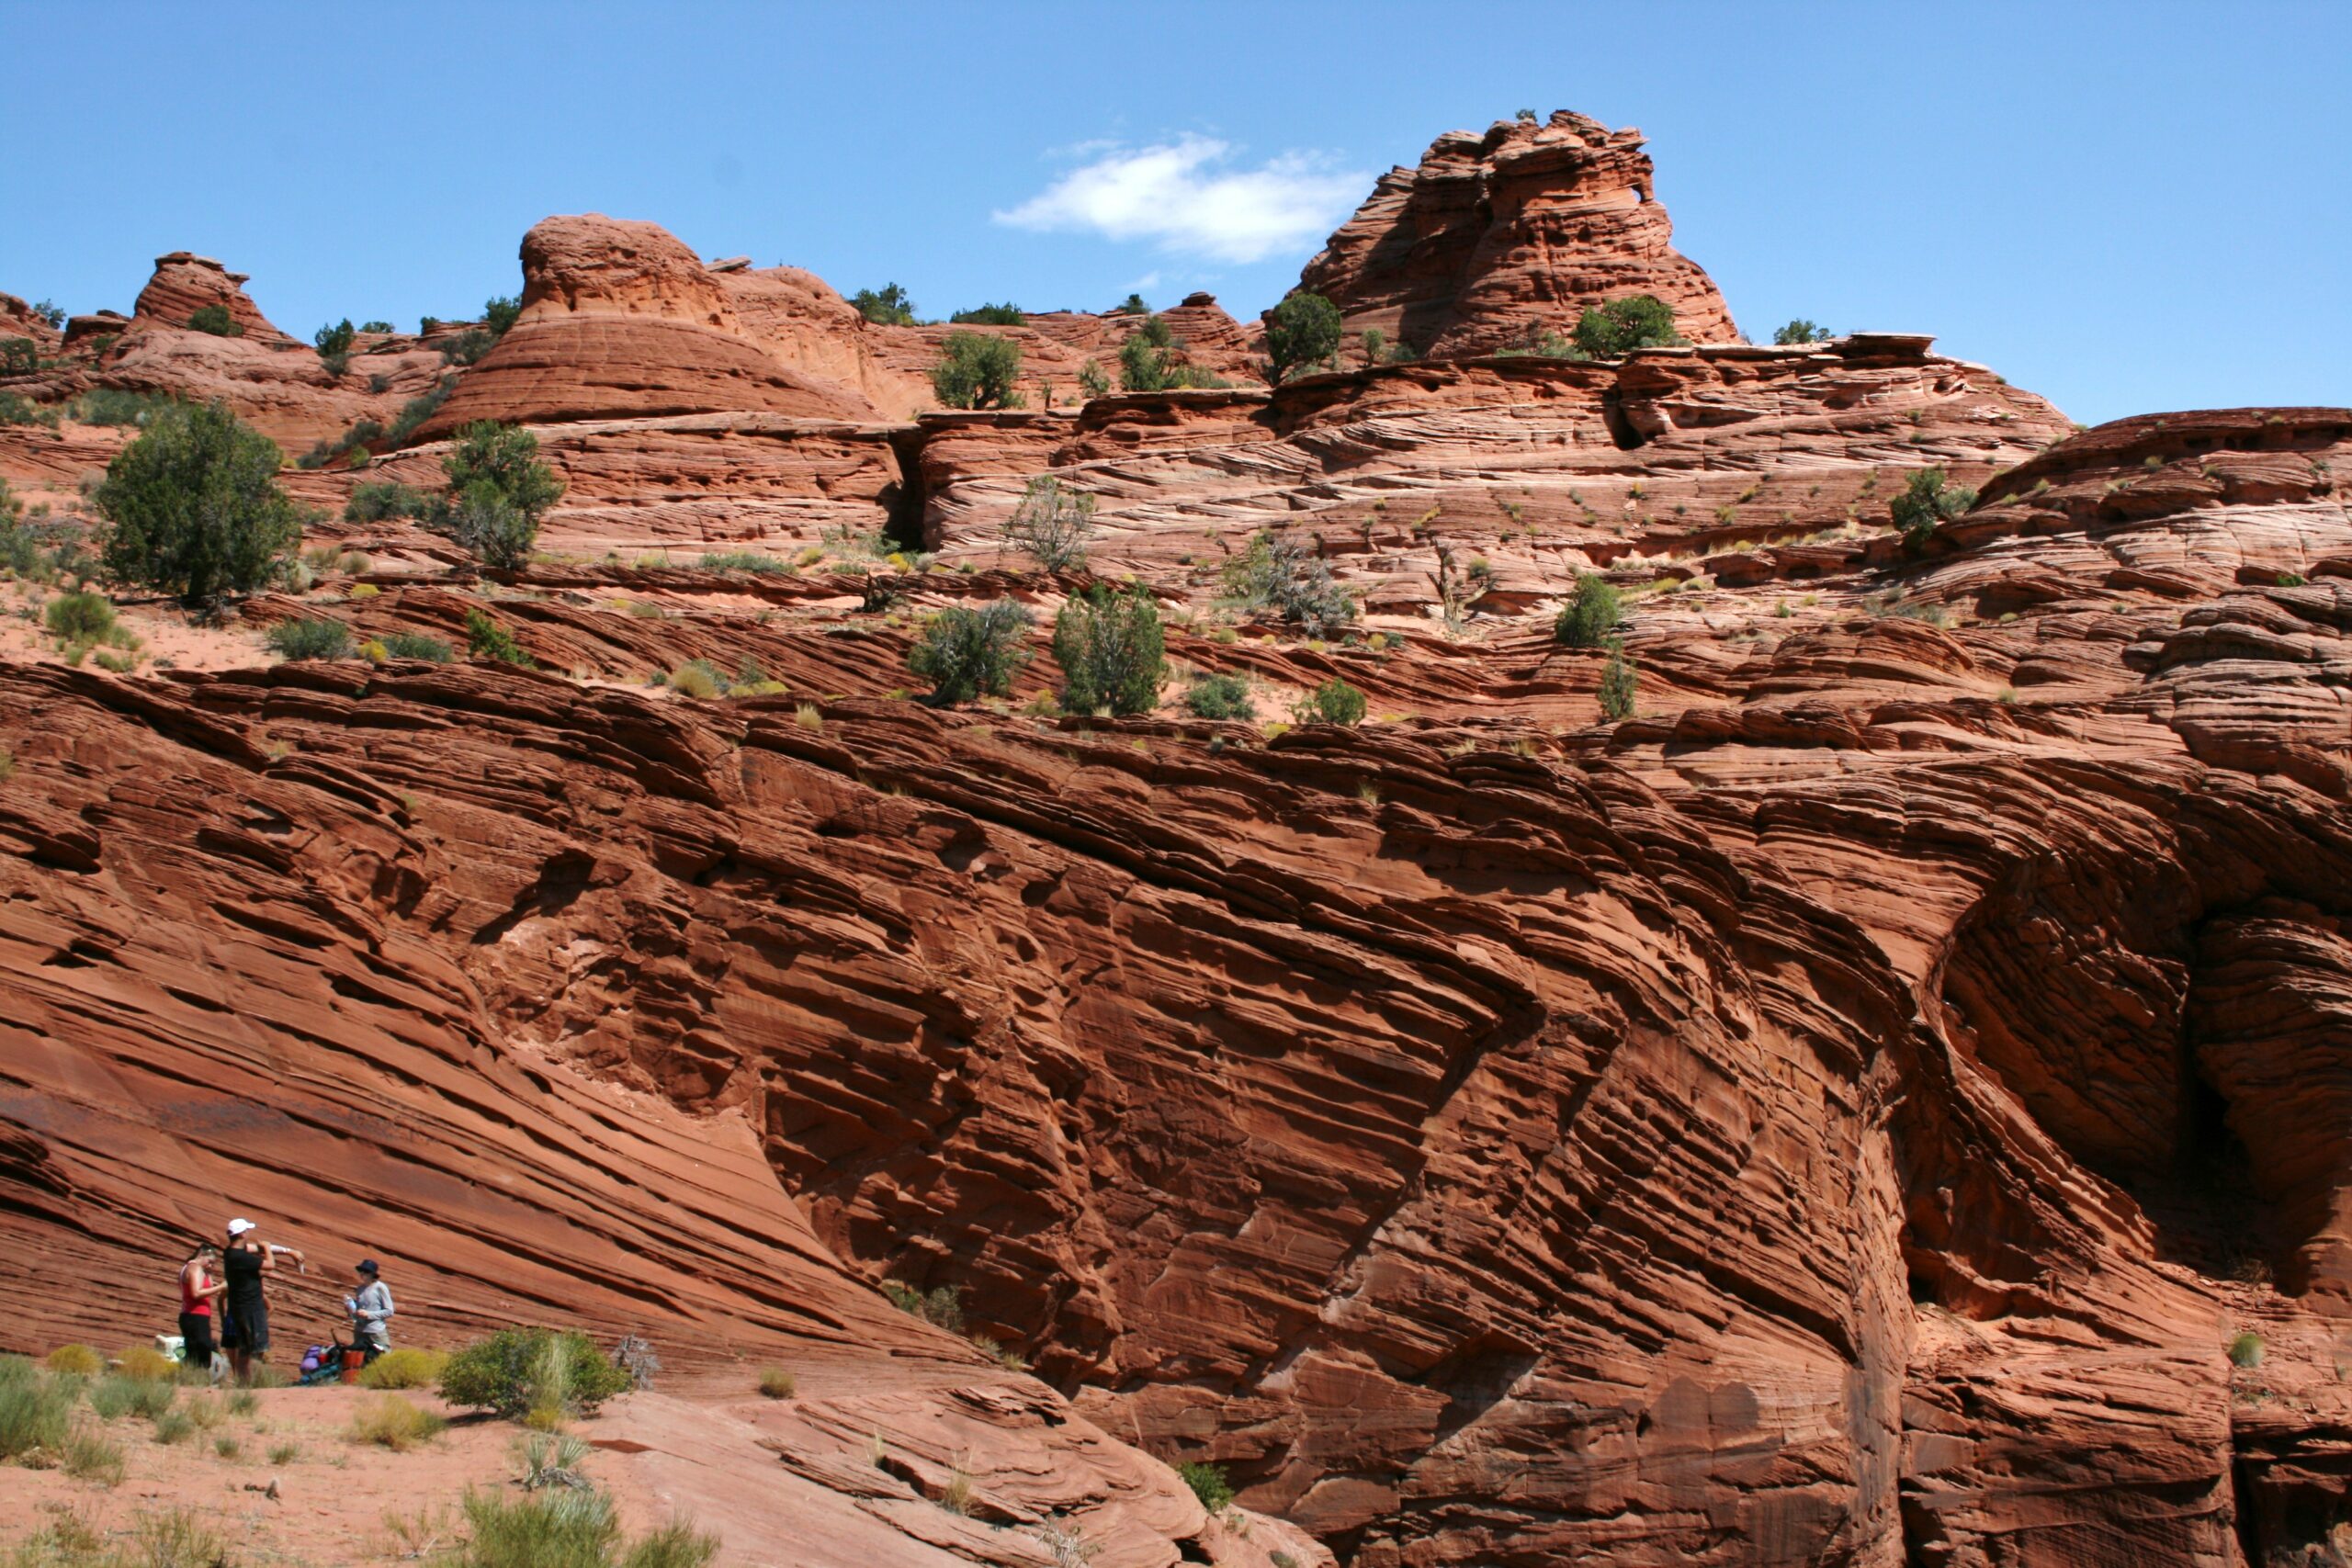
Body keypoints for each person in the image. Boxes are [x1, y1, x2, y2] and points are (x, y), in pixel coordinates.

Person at [219, 1217, 304, 1384]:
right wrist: (266, 1248)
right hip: (249, 1308)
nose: (249, 1233)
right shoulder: (241, 1258)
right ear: (242, 1234)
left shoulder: (230, 1252)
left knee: (247, 1349)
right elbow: (270, 1265)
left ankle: (246, 1384)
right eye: (247, 1231)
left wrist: (289, 1251)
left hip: (240, 1307)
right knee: (249, 1351)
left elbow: (255, 1248)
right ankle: (247, 1385)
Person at [177, 1244, 225, 1380]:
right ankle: (198, 1382)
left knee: (194, 1350)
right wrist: (221, 1287)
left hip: (192, 1315)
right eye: (210, 1262)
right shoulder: (195, 1268)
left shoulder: (189, 1267)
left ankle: (191, 1380)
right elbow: (196, 1293)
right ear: (201, 1255)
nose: (210, 1266)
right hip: (195, 1315)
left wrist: (211, 1281)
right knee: (203, 1349)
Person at [345, 1260, 394, 1362]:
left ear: (373, 1274)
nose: (362, 1274)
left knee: (385, 1360)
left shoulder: (380, 1287)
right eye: (361, 1271)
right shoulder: (360, 1289)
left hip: (375, 1332)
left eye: (366, 1271)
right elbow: (358, 1311)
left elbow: (389, 1311)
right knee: (359, 1360)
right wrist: (351, 1309)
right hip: (360, 1331)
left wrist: (369, 1314)